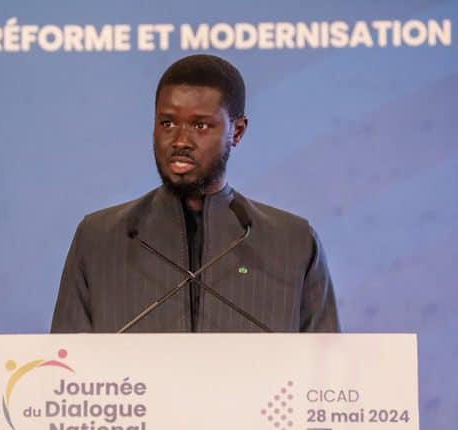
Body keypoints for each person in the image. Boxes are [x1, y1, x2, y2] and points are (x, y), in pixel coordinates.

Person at [51, 54, 339, 333]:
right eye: (167, 123)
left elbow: (327, 362)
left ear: (237, 131)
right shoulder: (98, 238)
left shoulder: (293, 242)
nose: (180, 141)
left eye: (200, 125)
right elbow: (65, 361)